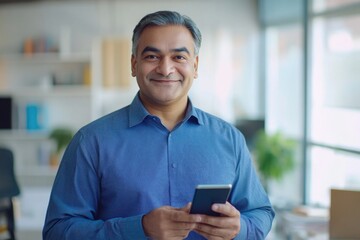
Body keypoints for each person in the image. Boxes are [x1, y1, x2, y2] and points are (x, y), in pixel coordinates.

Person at [43, 10, 275, 240]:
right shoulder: (91, 141)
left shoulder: (230, 139)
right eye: (152, 57)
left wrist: (239, 228)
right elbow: (57, 231)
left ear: (195, 66)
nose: (165, 69)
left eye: (179, 57)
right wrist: (139, 229)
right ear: (134, 64)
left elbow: (260, 213)